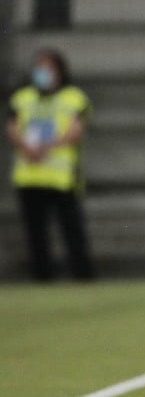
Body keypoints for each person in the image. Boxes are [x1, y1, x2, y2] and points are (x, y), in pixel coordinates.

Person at [6, 48, 95, 281]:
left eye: (47, 67)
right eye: (39, 67)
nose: (41, 72)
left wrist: (47, 146)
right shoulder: (23, 98)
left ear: (59, 70)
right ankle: (43, 279)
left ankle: (83, 278)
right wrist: (28, 148)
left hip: (62, 177)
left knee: (72, 231)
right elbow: (12, 128)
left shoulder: (73, 97)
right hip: (30, 176)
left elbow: (77, 130)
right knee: (37, 235)